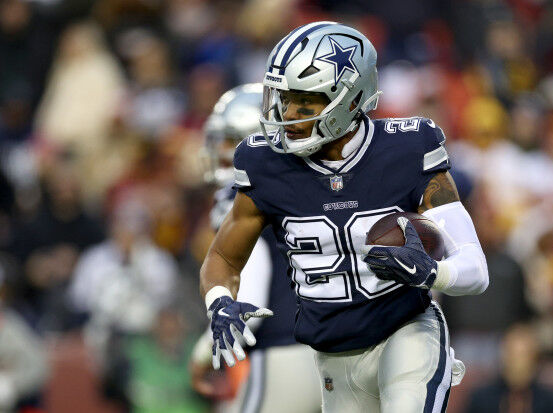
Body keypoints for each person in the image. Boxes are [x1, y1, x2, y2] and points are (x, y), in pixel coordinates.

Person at [200, 22, 489, 412]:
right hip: (333, 354)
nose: (289, 113)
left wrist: (432, 273)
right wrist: (219, 301)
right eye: (284, 99)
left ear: (350, 99)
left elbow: (475, 266)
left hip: (405, 334)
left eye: (306, 101)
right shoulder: (265, 165)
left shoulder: (406, 149)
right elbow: (222, 259)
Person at [191, 84, 321, 413]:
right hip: (336, 350)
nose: (219, 150)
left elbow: (248, 302)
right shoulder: (305, 187)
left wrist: (205, 350)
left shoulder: (249, 199)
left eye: (230, 139)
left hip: (286, 351)